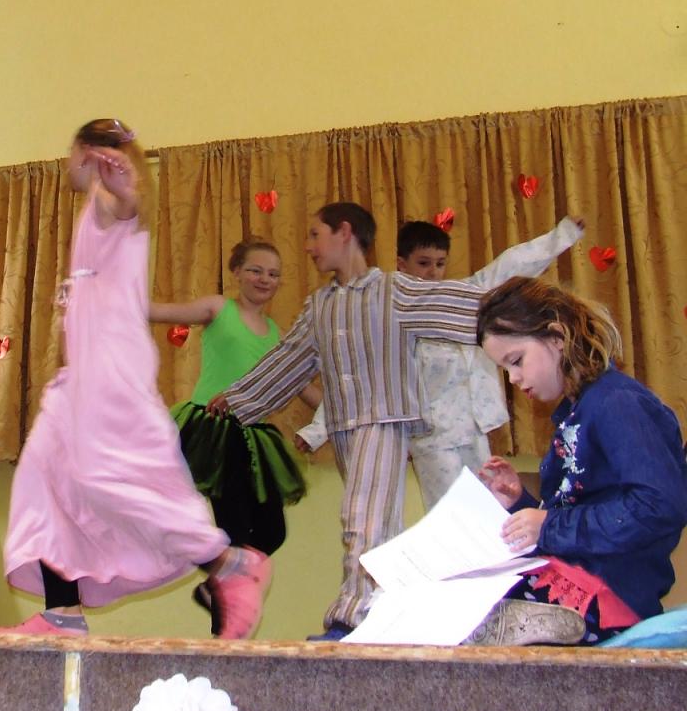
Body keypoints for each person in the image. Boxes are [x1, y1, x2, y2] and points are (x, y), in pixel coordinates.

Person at [0, 119, 269, 639]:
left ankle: (226, 562)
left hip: (109, 376)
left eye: (72, 152)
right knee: (43, 477)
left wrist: (126, 190)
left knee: (105, 479)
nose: (67, 163)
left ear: (85, 153)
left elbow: (127, 208)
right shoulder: (92, 213)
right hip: (81, 379)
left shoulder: (105, 203)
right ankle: (62, 612)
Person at [208, 202, 487, 640]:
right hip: (344, 427)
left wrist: (527, 316)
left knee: (363, 518)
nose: (309, 247)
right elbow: (290, 359)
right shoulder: (320, 305)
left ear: (344, 232)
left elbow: (458, 305)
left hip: (385, 420)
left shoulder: (394, 290)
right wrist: (240, 397)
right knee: (381, 526)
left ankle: (350, 617)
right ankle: (391, 618)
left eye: (315, 235)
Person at [296, 216, 583, 510]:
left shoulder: (464, 296)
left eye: (440, 263)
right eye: (423, 263)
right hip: (432, 439)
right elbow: (359, 377)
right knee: (452, 514)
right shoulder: (391, 318)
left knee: (489, 506)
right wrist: (317, 430)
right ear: (402, 264)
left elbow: (512, 266)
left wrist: (564, 234)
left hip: (474, 429)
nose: (433, 271)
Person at [473, 276, 687, 645]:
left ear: (557, 336)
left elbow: (659, 506)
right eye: (506, 369)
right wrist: (521, 505)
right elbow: (577, 510)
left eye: (517, 361)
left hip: (608, 597)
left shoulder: (617, 402)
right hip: (565, 577)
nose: (514, 378)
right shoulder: (575, 413)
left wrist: (548, 526)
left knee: (471, 609)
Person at [150, 240, 314, 620]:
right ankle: (224, 620)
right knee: (235, 530)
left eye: (273, 274)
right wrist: (110, 298)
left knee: (272, 532)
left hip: (255, 437)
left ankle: (215, 588)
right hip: (215, 431)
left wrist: (351, 410)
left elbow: (303, 387)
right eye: (255, 270)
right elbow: (161, 311)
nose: (264, 279)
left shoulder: (276, 333)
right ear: (237, 272)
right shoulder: (218, 308)